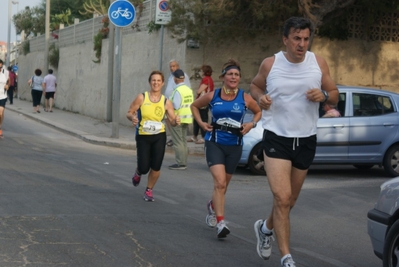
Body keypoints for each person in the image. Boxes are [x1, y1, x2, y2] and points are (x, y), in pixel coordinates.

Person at [249, 17, 339, 267]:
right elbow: (255, 86)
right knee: (282, 197)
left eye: (306, 39)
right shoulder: (271, 63)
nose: (302, 44)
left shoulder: (318, 63)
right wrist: (261, 98)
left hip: (306, 138)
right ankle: (286, 257)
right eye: (297, 38)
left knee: (290, 201)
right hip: (277, 137)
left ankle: (265, 228)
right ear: (285, 39)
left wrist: (324, 95)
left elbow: (334, 94)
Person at [191, 59, 261, 238]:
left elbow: (258, 111)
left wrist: (251, 124)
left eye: (237, 74)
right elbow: (194, 106)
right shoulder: (213, 95)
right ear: (223, 77)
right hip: (214, 143)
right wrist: (201, 123)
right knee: (220, 183)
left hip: (235, 145)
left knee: (224, 185)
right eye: (230, 74)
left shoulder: (244, 97)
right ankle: (221, 222)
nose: (234, 77)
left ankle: (212, 205)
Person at [126, 70, 180, 202]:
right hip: (143, 135)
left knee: (156, 165)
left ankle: (149, 190)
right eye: (153, 80)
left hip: (159, 136)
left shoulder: (166, 102)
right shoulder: (142, 97)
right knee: (144, 167)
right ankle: (139, 172)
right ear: (150, 82)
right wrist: (132, 117)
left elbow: (172, 120)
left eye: (158, 81)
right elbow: (130, 111)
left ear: (162, 83)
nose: (156, 83)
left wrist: (175, 121)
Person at [168, 69, 194, 170]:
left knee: (178, 141)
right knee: (183, 141)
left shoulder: (177, 91)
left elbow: (176, 106)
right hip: (186, 118)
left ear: (175, 78)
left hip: (177, 119)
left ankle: (180, 163)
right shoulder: (188, 90)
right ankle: (184, 161)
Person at [164, 60, 191, 146]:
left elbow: (186, 88)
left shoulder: (183, 75)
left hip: (177, 103)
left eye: (174, 66)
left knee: (175, 121)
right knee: (167, 119)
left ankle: (175, 139)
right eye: (171, 66)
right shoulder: (171, 76)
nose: (172, 68)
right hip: (170, 101)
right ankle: (173, 137)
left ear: (178, 66)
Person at [189, 65, 214, 144]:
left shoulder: (206, 79)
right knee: (197, 119)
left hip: (202, 103)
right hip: (205, 102)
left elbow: (199, 91)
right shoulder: (210, 80)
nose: (200, 72)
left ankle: (203, 137)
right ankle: (195, 136)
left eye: (202, 71)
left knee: (202, 119)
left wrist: (198, 90)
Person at [0, 60, 10, 138]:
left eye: (0, 67)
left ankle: (0, 127)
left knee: (1, 113)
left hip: (2, 96)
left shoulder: (5, 73)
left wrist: (7, 85)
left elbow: (9, 81)